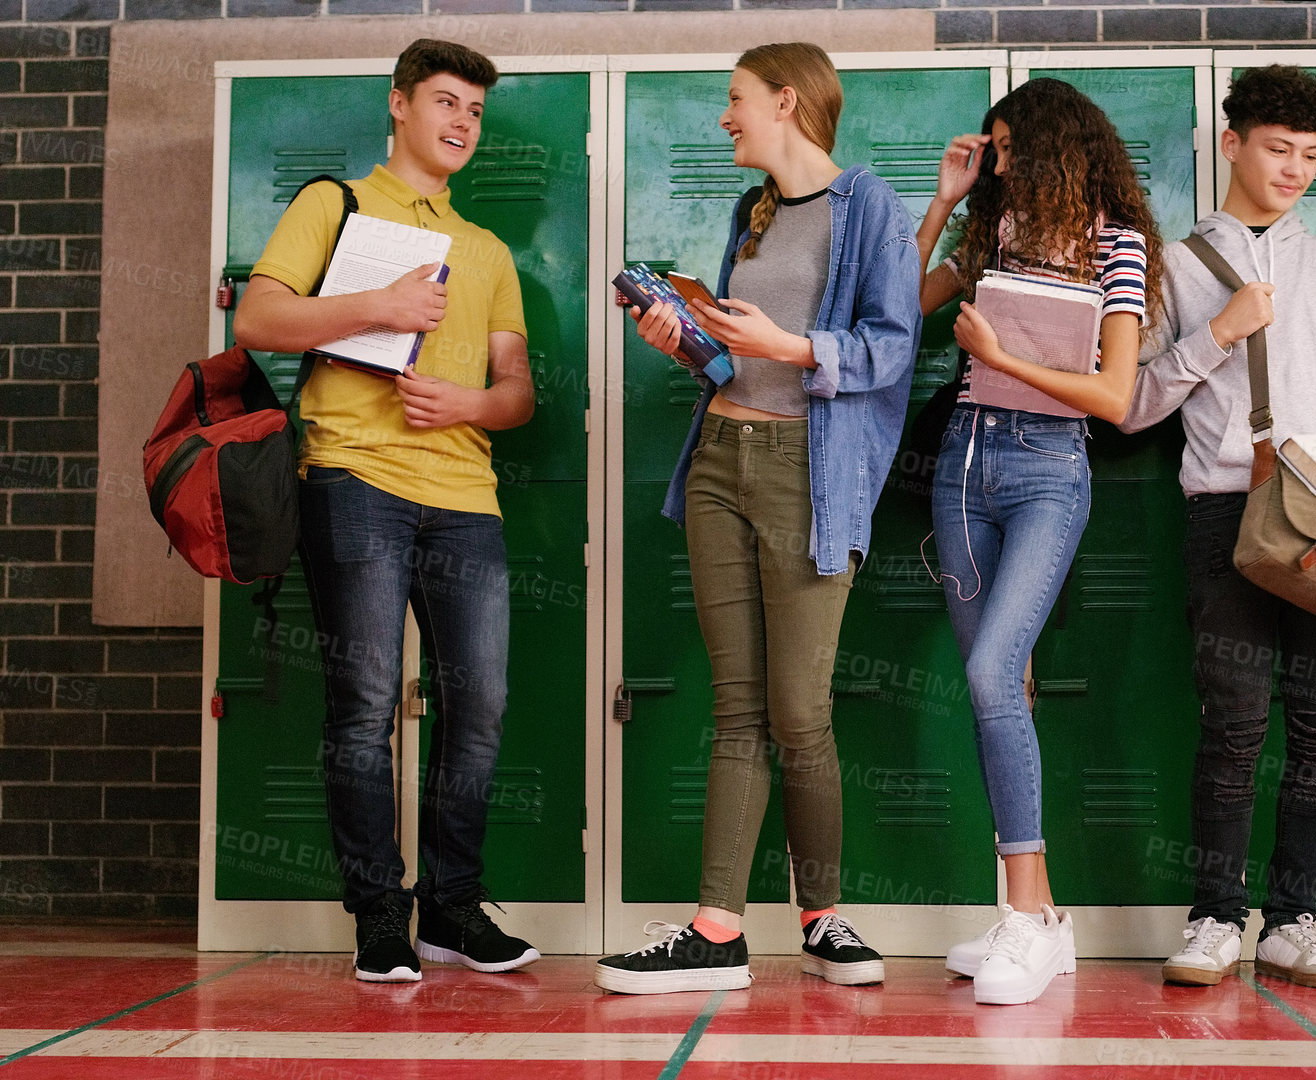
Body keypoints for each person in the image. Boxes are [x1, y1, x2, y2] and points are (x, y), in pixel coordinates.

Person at [594, 43, 922, 995]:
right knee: (734, 706)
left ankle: (822, 921)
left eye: (735, 101)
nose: (725, 119)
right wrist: (688, 342)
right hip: (719, 462)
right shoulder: (753, 210)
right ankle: (716, 930)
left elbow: (890, 348)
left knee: (798, 712)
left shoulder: (870, 206)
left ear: (787, 99)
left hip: (806, 474)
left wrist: (789, 342)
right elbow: (737, 364)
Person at [234, 38, 539, 982]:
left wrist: (473, 406)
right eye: (446, 103)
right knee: (364, 706)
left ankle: (451, 908)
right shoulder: (335, 204)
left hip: (464, 496)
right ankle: (378, 916)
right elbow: (259, 321)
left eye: (475, 112)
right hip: (354, 478)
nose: (462, 124)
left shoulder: (486, 250)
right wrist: (383, 305)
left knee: (478, 705)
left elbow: (518, 388)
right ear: (399, 105)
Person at [1121, 65, 1316, 991]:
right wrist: (1217, 335)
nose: (1292, 170)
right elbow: (1127, 405)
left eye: (1310, 156)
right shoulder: (1169, 267)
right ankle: (1214, 920)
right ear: (1231, 143)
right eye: (1277, 149)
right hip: (1224, 513)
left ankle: (1293, 922)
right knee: (1231, 727)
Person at [917, 77, 1161, 1006]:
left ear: (1059, 145)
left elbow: (1115, 397)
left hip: (1047, 468)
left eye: (1011, 147)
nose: (1000, 162)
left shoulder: (1117, 245)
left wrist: (999, 352)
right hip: (960, 468)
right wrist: (945, 197)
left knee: (988, 675)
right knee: (1000, 684)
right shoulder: (989, 233)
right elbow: (901, 301)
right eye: (993, 148)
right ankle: (1044, 925)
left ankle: (1024, 918)